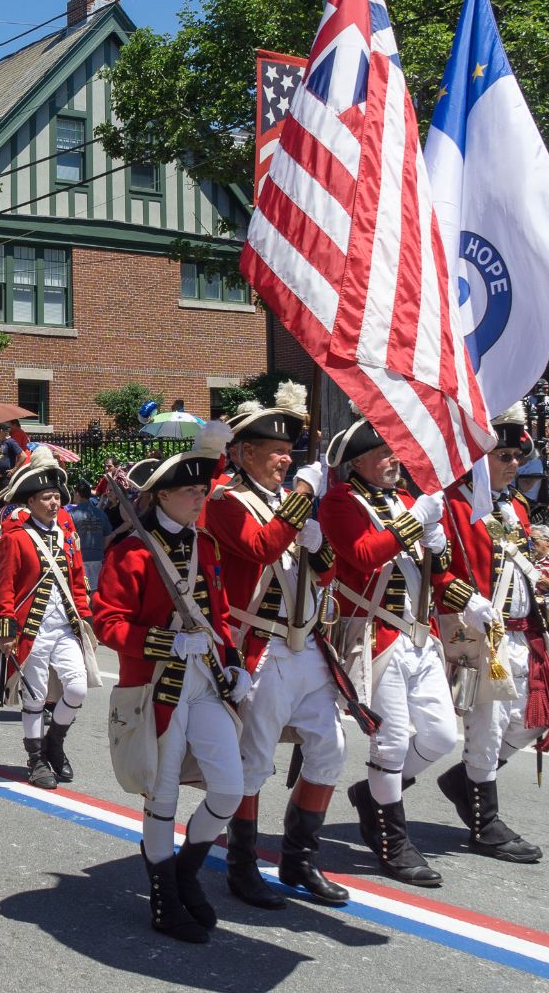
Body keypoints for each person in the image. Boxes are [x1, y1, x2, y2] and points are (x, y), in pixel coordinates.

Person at [94, 421, 248, 943]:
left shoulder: (206, 545)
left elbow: (220, 615)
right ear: (161, 495)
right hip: (156, 689)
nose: (201, 498)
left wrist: (234, 661)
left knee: (230, 786)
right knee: (161, 798)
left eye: (204, 490)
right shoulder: (129, 551)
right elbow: (108, 623)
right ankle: (164, 895)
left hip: (206, 682)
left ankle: (185, 872)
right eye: (190, 491)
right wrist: (163, 642)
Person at [199, 384, 347, 908]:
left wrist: (318, 542)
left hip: (307, 643)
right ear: (243, 453)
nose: (285, 458)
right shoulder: (223, 502)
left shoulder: (289, 501)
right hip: (259, 646)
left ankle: (299, 860)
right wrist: (304, 500)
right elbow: (260, 547)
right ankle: (242, 865)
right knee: (254, 761)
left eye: (289, 450)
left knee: (330, 750)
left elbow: (329, 572)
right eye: (274, 450)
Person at [318, 420, 464, 888]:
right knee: (393, 741)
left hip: (420, 635)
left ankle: (374, 793)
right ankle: (392, 839)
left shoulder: (405, 503)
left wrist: (438, 547)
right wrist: (416, 522)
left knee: (441, 737)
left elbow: (432, 569)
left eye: (394, 451)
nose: (394, 460)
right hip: (374, 634)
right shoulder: (340, 502)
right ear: (357, 462)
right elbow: (362, 555)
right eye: (383, 453)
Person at [438, 405, 549, 864]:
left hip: (519, 630)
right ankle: (484, 823)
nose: (513, 464)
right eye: (502, 455)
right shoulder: (456, 504)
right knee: (485, 730)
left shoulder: (516, 507)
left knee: (533, 719)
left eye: (515, 455)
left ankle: (464, 782)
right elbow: (442, 574)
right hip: (478, 632)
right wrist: (467, 600)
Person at [0, 447, 97, 790]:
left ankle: (55, 742)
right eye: (47, 498)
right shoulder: (16, 537)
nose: (54, 504)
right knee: (35, 697)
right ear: (31, 501)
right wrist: (7, 629)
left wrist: (85, 618)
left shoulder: (66, 537)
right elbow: (4, 586)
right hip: (30, 628)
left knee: (77, 687)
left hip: (64, 625)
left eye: (56, 498)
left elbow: (78, 580)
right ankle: (35, 759)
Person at [0, 422, 25, 491]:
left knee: (5, 500)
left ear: (1, 431)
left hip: (6, 479)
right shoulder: (1, 442)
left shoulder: (11, 442)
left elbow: (23, 456)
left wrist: (14, 469)